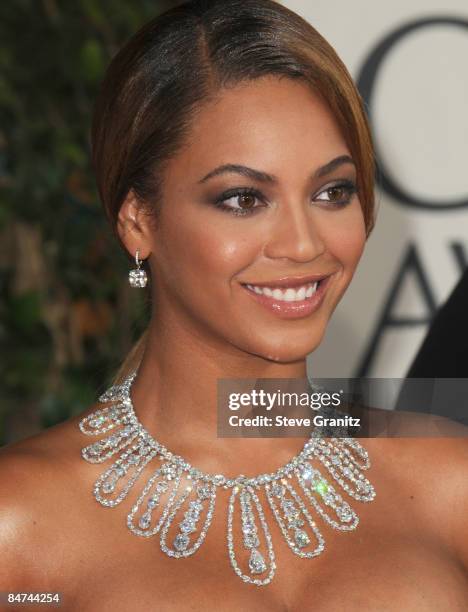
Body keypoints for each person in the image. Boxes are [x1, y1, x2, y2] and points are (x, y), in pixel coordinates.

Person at [1, 1, 467, 609]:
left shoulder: (449, 483)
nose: (304, 244)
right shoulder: (20, 525)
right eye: (244, 199)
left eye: (333, 191)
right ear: (137, 221)